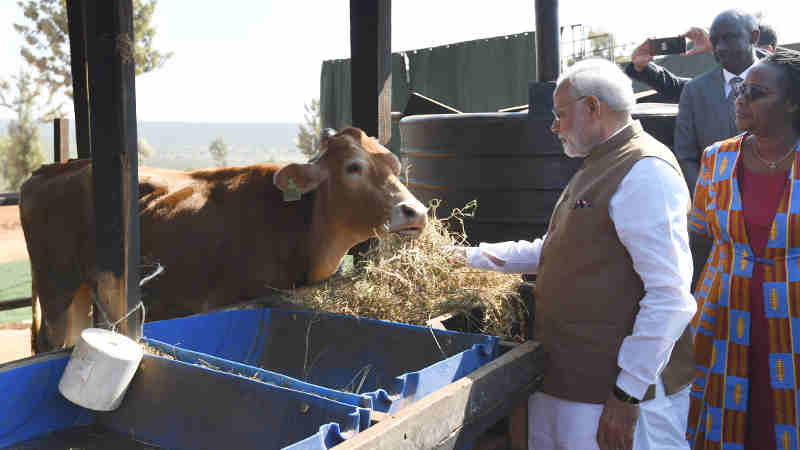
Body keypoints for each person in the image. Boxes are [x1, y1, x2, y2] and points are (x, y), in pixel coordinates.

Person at [446, 58, 696, 450]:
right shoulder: (599, 165)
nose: (553, 126)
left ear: (593, 108)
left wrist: (627, 394)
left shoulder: (645, 171)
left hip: (615, 398)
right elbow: (560, 250)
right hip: (574, 383)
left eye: (560, 114)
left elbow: (671, 297)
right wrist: (464, 258)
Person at [687, 47, 800, 450]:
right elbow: (698, 232)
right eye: (740, 91)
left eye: (757, 93)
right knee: (722, 424)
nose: (742, 100)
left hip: (792, 324)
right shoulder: (717, 159)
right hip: (723, 317)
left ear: (791, 103)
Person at [675, 10, 762, 191]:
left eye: (729, 38)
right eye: (714, 41)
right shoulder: (694, 92)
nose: (720, 48)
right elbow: (686, 156)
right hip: (717, 208)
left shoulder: (787, 79)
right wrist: (708, 198)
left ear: (754, 36)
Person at [625, 23, 775, 104]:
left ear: (767, 51)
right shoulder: (716, 85)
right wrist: (643, 67)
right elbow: (677, 87)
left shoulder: (788, 85)